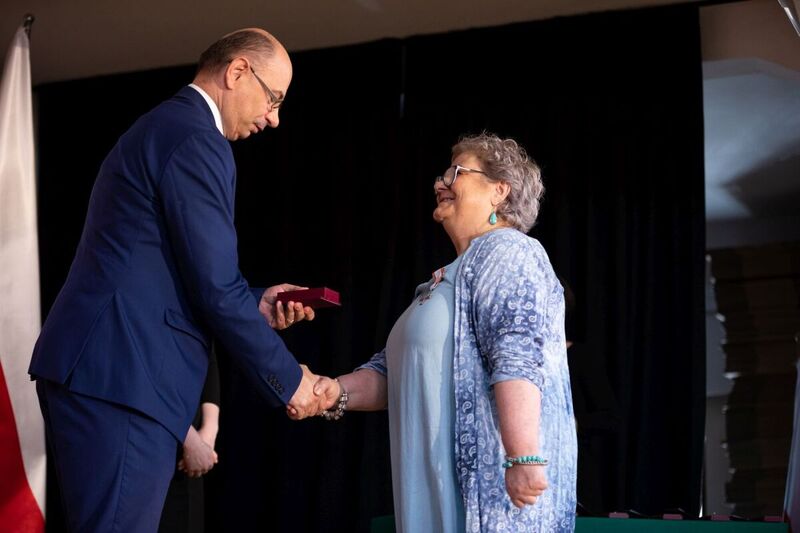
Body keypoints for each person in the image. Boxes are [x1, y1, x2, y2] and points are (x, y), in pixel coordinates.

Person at [29, 28, 333, 532]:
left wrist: (256, 303)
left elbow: (172, 273)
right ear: (237, 72)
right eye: (274, 98)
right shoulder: (196, 138)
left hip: (111, 372)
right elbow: (213, 287)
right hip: (122, 374)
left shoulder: (169, 127)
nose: (275, 118)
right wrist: (290, 380)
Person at [312, 133, 578, 532]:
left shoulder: (508, 251)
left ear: (499, 191)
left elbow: (518, 356)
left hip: (490, 503)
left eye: (455, 173)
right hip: (430, 493)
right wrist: (331, 391)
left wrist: (522, 456)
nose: (440, 183)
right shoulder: (443, 281)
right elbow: (395, 372)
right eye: (442, 174)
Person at [158, 344, 221, 533]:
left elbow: (208, 355)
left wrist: (209, 432)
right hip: (150, 445)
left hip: (190, 458)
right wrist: (191, 440)